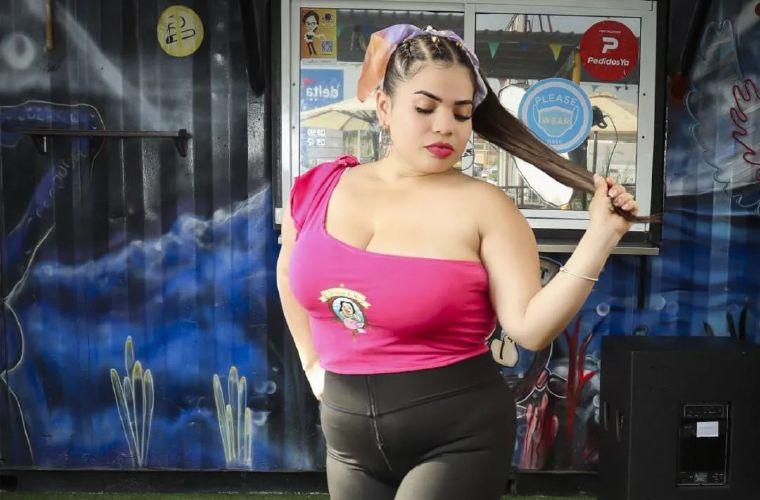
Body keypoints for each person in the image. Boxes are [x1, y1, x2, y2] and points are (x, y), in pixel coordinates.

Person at [277, 24, 645, 500]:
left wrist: (601, 236)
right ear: (384, 107)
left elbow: (530, 329)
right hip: (348, 443)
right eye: (425, 108)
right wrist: (310, 362)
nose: (445, 126)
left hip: (458, 439)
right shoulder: (319, 187)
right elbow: (288, 272)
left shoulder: (488, 208)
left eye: (461, 112)